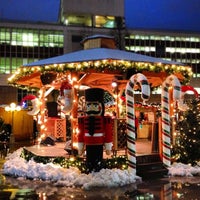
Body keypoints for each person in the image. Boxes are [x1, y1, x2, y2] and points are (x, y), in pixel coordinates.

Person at [77, 88, 113, 173]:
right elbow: (80, 133)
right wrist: (80, 147)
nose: (92, 107)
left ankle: (98, 169)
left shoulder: (105, 119)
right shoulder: (82, 120)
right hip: (88, 143)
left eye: (95, 105)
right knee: (89, 157)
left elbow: (108, 133)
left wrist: (108, 147)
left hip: (99, 143)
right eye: (89, 105)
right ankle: (89, 168)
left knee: (98, 157)